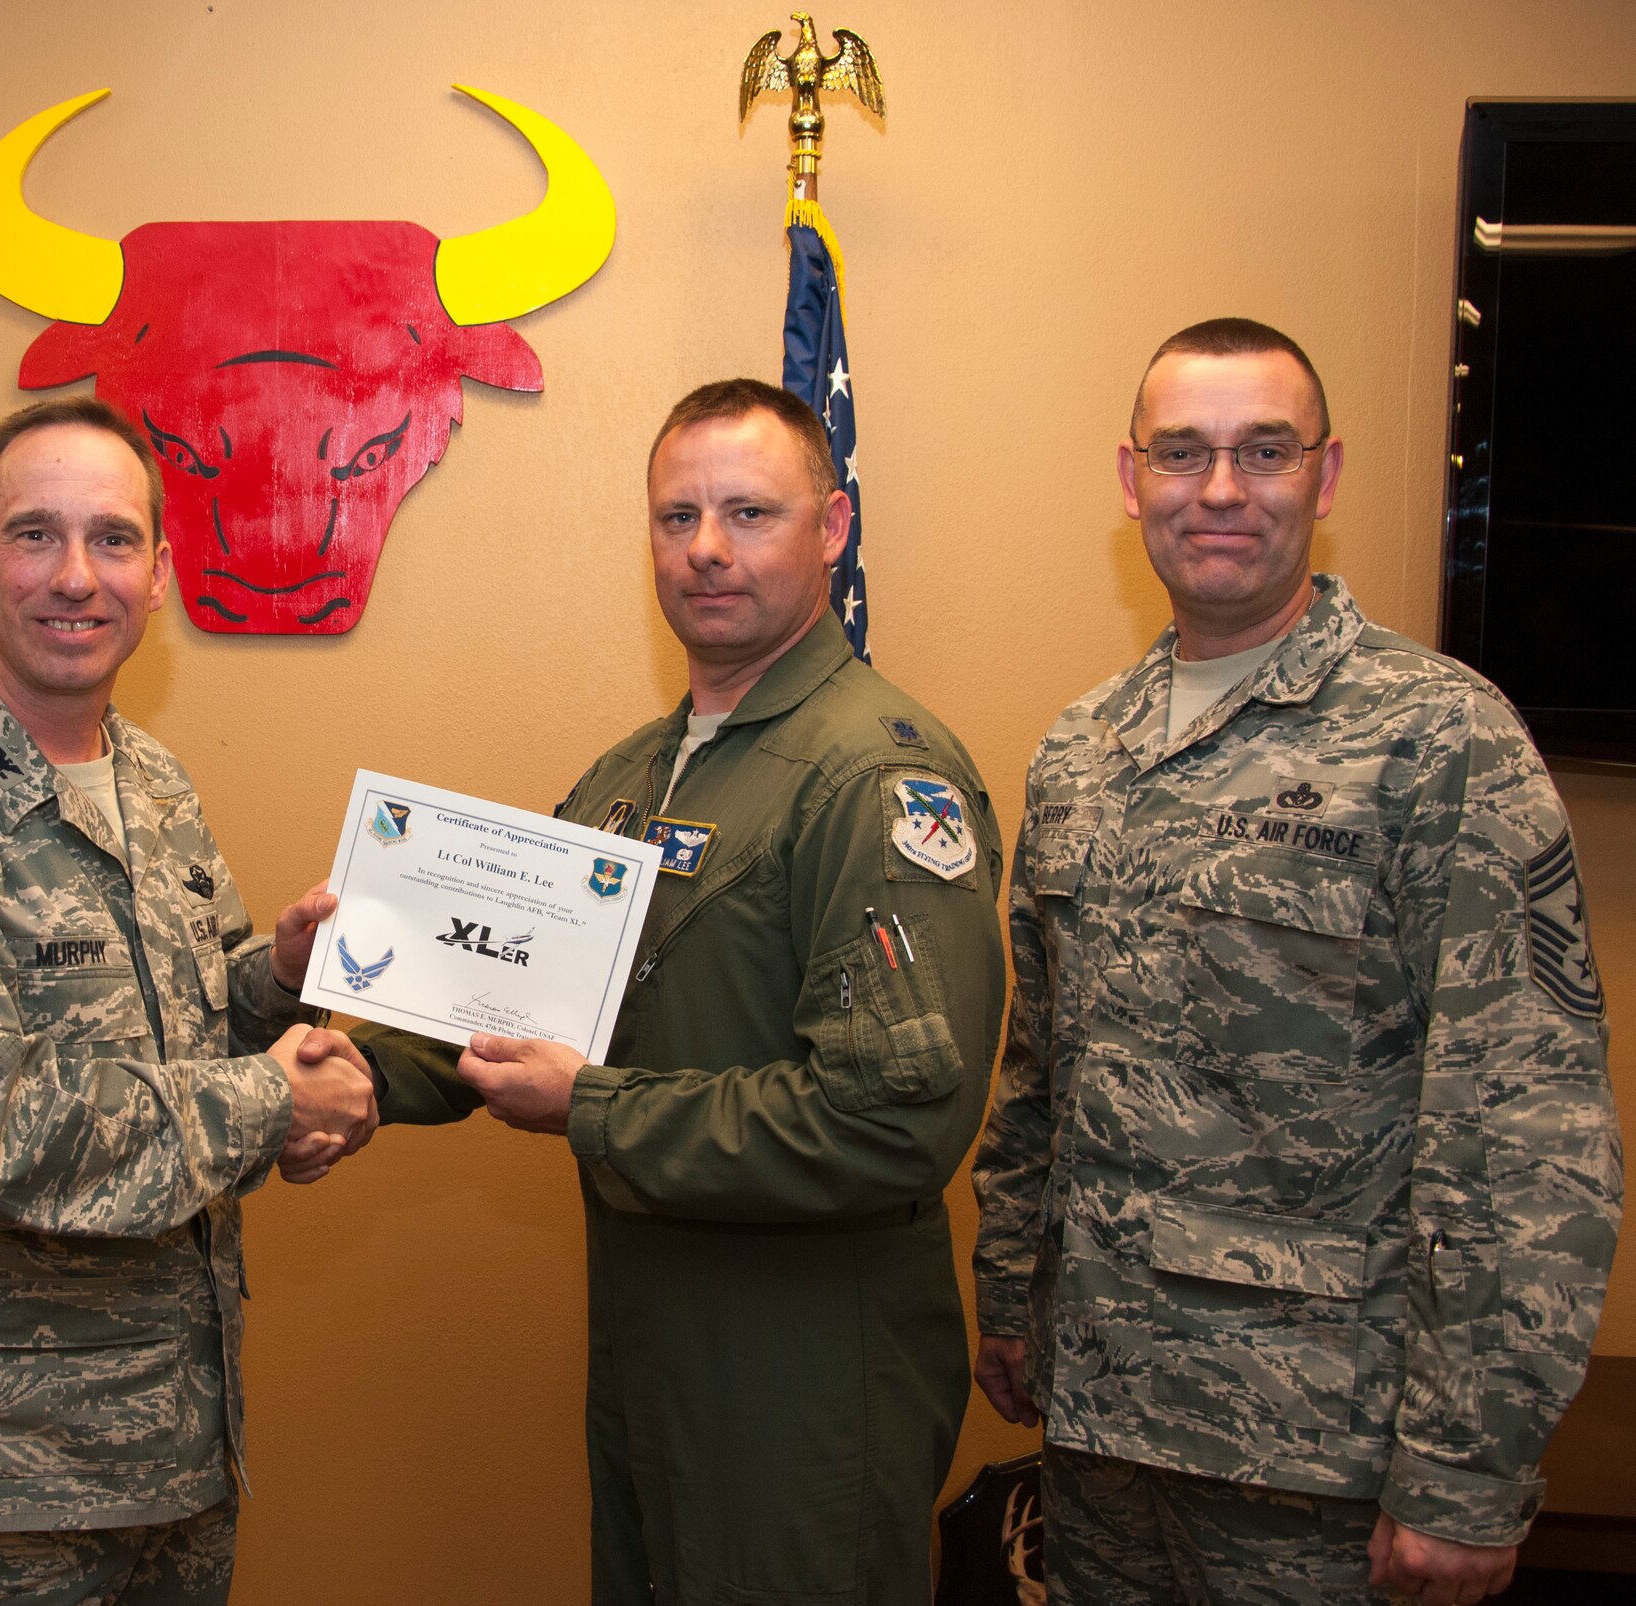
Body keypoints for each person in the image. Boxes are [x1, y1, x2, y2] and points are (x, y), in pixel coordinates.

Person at [296, 377, 1006, 1605]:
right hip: (649, 1352)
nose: (707, 551)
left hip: (803, 1375)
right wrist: (355, 1068)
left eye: (748, 513)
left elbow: (889, 1124)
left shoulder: (873, 779)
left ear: (831, 528)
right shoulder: (637, 774)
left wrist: (597, 1110)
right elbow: (506, 992)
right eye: (676, 518)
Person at [971, 318, 1622, 1606]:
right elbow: (1040, 1065)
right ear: (1129, 479)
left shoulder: (1439, 739)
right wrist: (1008, 1290)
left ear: (1323, 477)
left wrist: (1465, 1469)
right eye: (1183, 453)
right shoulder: (1081, 751)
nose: (1220, 490)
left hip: (1321, 1456)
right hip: (1103, 1432)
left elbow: (1525, 1126)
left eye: (1262, 451)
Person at [0, 396, 377, 1604]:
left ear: (159, 573)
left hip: (176, 1445)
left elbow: (182, 1023)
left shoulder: (150, 780)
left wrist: (276, 982)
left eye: (111, 539)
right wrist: (271, 1102)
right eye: (33, 534)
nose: (73, 576)